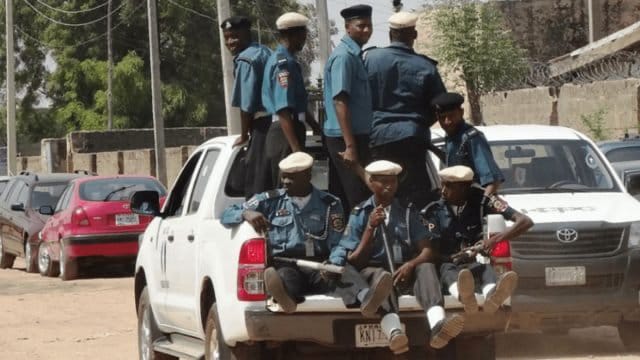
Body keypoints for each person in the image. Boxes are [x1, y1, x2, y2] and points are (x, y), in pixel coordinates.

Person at [220, 152, 392, 316]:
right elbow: (226, 214)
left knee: (345, 273)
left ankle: (367, 300)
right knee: (286, 278)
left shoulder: (330, 203)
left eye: (291, 177)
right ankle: (284, 298)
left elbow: (340, 242)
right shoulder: (269, 201)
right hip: (287, 262)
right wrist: (246, 214)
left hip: (320, 264)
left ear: (308, 175)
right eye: (284, 176)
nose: (285, 181)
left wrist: (334, 263)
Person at [329, 160, 465, 354]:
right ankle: (394, 333)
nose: (389, 186)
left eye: (393, 181)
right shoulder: (359, 213)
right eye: (383, 181)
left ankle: (437, 325)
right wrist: (370, 227)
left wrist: (411, 264)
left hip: (404, 269)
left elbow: (427, 251)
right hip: (375, 269)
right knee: (381, 277)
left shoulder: (409, 211)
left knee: (425, 267)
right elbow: (355, 260)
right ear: (371, 182)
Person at [421, 166, 533, 314]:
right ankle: (465, 297)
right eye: (443, 184)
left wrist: (493, 241)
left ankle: (493, 296)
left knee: (485, 269)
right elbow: (429, 252)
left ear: (464, 188)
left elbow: (525, 221)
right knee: (448, 271)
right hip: (447, 263)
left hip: (473, 261)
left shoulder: (483, 200)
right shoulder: (433, 209)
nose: (443, 191)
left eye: (448, 186)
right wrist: (452, 257)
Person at [364, 11, 446, 209]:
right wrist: (418, 123)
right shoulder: (426, 66)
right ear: (414, 35)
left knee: (381, 193)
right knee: (416, 197)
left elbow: (360, 98)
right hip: (413, 138)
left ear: (390, 34)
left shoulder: (370, 59)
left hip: (379, 137)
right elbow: (441, 105)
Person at [323, 4, 374, 213]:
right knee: (359, 201)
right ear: (348, 27)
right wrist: (350, 147)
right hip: (346, 140)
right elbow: (340, 101)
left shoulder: (355, 55)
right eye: (361, 26)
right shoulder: (344, 57)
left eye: (369, 26)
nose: (366, 30)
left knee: (355, 200)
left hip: (355, 137)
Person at [262, 12, 318, 189]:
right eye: (303, 36)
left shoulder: (289, 61)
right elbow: (283, 108)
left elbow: (298, 104)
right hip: (285, 134)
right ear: (293, 35)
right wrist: (296, 149)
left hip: (291, 129)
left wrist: (316, 127)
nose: (304, 40)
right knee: (287, 189)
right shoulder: (283, 64)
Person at [221, 16, 273, 198]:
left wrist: (244, 135)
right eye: (226, 37)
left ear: (246, 34)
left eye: (235, 36)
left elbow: (247, 105)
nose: (230, 42)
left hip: (263, 125)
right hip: (279, 122)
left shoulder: (245, 60)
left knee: (256, 188)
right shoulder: (264, 51)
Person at [432, 92, 504, 197]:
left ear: (461, 112)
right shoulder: (450, 138)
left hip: (473, 204)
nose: (447, 121)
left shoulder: (472, 138)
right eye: (442, 117)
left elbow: (492, 181)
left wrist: (480, 205)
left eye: (451, 116)